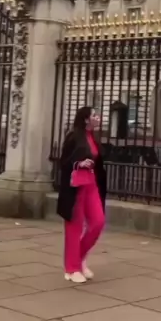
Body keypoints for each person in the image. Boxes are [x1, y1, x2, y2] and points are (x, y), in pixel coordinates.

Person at [56, 106, 107, 283]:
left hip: (91, 184)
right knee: (74, 227)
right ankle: (71, 268)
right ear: (86, 119)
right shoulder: (73, 136)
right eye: (94, 115)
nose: (98, 117)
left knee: (98, 222)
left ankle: (79, 258)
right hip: (76, 185)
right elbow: (64, 162)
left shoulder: (93, 137)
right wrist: (78, 163)